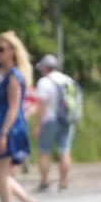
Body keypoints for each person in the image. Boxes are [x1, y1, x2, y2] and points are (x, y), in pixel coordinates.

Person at [0, 32, 41, 202]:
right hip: (3, 126)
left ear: (12, 52)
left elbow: (14, 106)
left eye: (1, 49)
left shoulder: (14, 76)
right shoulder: (6, 75)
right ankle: (27, 201)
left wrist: (3, 133)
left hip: (9, 127)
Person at [32, 54, 74, 191]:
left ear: (45, 67)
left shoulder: (44, 82)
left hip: (49, 120)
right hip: (66, 120)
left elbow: (42, 105)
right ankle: (64, 182)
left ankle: (44, 182)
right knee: (65, 151)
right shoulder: (67, 80)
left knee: (44, 151)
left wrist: (38, 125)